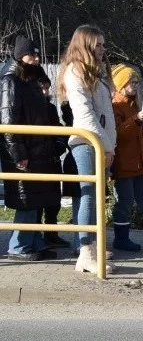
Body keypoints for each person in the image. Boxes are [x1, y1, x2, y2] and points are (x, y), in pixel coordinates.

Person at [58, 25, 116, 275]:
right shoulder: (75, 71)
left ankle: (92, 247)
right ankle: (84, 252)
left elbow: (105, 115)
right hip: (86, 141)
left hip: (99, 141)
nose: (103, 50)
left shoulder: (96, 72)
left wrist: (108, 144)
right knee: (87, 196)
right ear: (86, 45)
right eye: (98, 45)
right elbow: (86, 115)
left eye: (104, 45)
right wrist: (106, 146)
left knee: (93, 197)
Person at [1, 58, 63, 260]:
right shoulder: (11, 82)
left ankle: (33, 242)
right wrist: (18, 155)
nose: (36, 58)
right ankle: (18, 246)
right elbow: (8, 119)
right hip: (25, 153)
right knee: (26, 201)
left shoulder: (29, 82)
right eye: (31, 54)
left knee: (34, 200)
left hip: (37, 153)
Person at [109, 64, 143, 251]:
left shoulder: (133, 104)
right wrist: (136, 120)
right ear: (121, 84)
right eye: (131, 81)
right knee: (125, 201)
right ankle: (121, 239)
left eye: (136, 81)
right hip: (124, 165)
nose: (135, 84)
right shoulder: (116, 106)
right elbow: (117, 134)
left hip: (138, 164)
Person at [31, 68, 71, 249]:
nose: (46, 92)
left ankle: (51, 234)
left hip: (52, 160)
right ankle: (36, 236)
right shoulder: (30, 109)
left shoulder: (50, 108)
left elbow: (59, 130)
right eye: (42, 88)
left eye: (47, 88)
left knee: (54, 202)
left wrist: (60, 145)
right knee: (38, 202)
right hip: (37, 160)